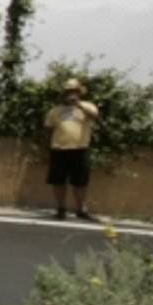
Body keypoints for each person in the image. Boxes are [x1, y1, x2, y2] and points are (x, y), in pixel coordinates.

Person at [46, 77, 102, 220]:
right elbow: (48, 129)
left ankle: (81, 209)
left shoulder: (87, 107)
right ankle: (61, 208)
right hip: (59, 149)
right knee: (58, 181)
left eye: (74, 92)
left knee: (80, 182)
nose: (71, 94)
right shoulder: (55, 111)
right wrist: (46, 149)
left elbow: (95, 115)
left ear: (79, 93)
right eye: (68, 92)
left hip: (80, 149)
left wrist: (78, 105)